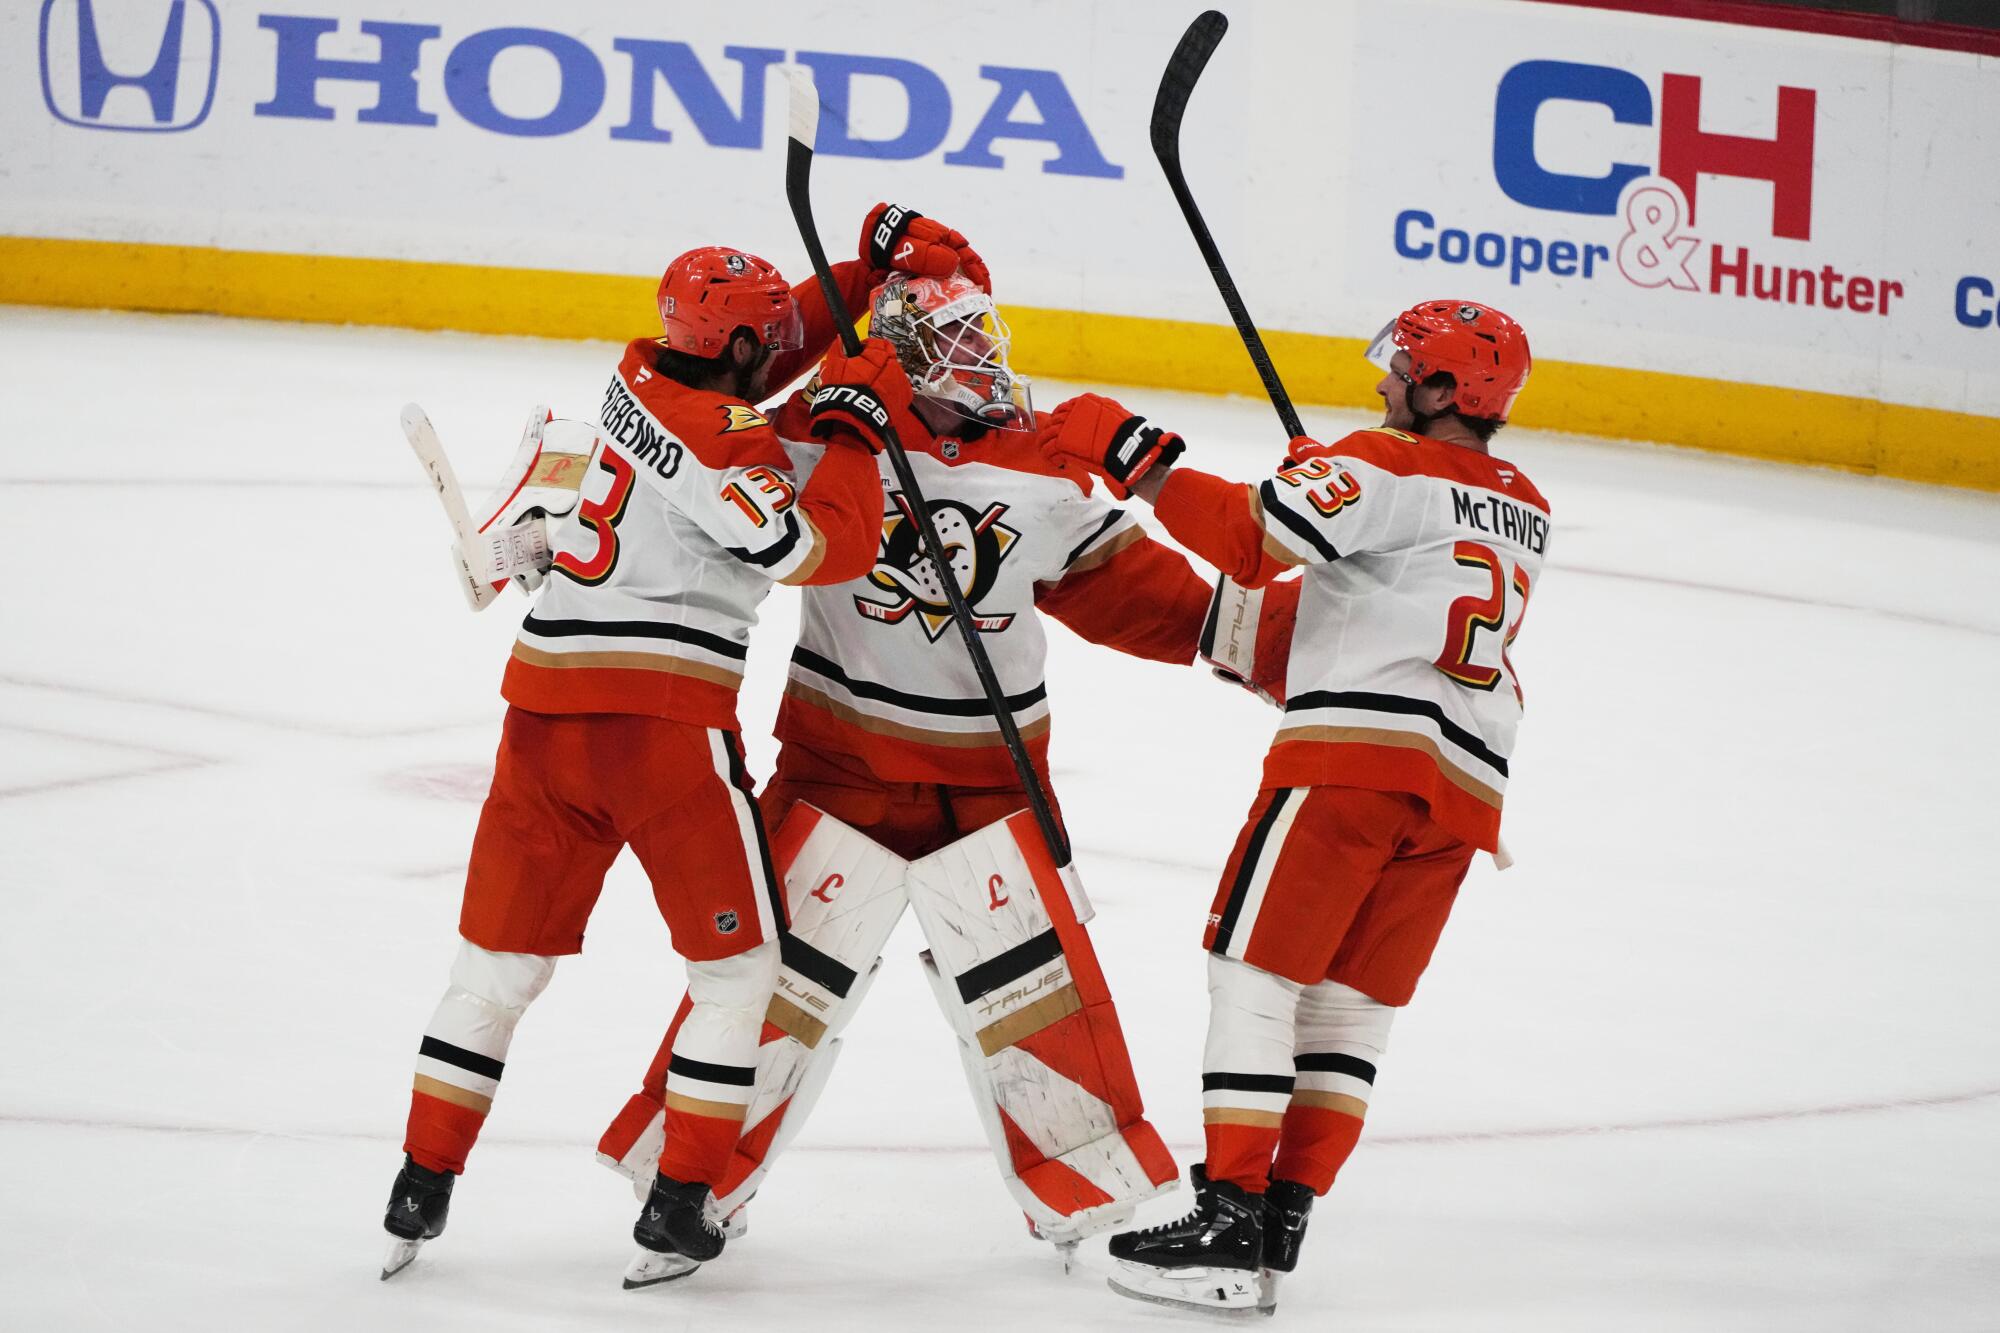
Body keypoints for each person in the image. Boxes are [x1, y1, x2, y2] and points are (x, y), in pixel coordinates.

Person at [380, 205, 986, 1280]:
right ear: (740, 349)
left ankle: (419, 1185)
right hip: (659, 732)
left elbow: (779, 336)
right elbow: (817, 549)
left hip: (539, 720)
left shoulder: (631, 375)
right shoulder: (729, 442)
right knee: (739, 968)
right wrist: (851, 427)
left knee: (493, 971)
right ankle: (679, 1197)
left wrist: (859, 272)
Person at [595, 258, 1218, 1269]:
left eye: (985, 337)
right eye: (957, 343)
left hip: (990, 783)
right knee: (774, 986)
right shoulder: (818, 437)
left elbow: (1146, 599)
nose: (985, 361)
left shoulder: (1040, 460)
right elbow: (698, 457)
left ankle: (1091, 1196)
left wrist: (1264, 644)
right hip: (836, 768)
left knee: (1038, 991)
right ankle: (683, 1176)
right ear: (903, 357)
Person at [1039, 300, 1551, 1316]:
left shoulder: (1378, 462)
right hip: (1463, 792)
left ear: (1443, 389)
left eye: (1401, 369)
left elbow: (1241, 537)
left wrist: (1129, 449)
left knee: (1254, 973)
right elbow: (1382, 583)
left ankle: (1226, 1215)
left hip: (1352, 763)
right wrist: (1339, 496)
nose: (1382, 383)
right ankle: (1282, 1215)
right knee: (1349, 1008)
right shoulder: (1524, 501)